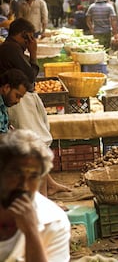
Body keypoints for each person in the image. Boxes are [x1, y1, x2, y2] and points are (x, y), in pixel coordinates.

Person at [0, 18, 71, 196]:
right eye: (29, 39)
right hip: (22, 105)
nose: (30, 42)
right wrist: (33, 54)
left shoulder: (13, 49)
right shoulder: (10, 49)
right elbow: (29, 77)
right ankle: (42, 197)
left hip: (25, 100)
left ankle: (49, 186)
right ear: (24, 35)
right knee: (35, 147)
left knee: (38, 143)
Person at [0, 129, 71, 262]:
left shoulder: (53, 221)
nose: (24, 186)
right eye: (16, 174)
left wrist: (32, 232)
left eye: (33, 177)